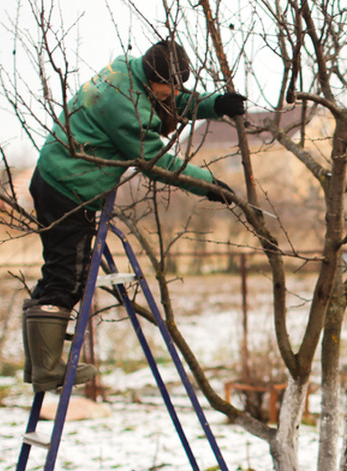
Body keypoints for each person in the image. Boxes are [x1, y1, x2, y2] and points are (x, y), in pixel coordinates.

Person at [23, 39, 247, 392]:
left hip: (57, 176)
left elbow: (167, 102)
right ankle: (47, 368)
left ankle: (37, 363)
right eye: (170, 86)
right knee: (67, 275)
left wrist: (214, 104)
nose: (174, 93)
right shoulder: (125, 108)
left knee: (57, 269)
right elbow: (156, 162)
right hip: (69, 188)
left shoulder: (130, 70)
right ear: (153, 77)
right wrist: (207, 185)